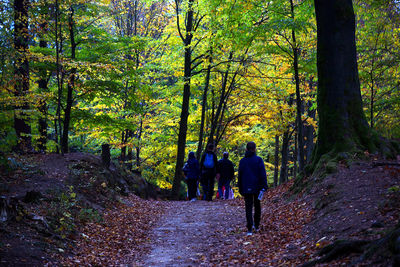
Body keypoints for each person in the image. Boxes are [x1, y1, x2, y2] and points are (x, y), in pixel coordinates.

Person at [238, 141, 268, 236]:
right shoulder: (258, 160)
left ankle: (249, 228)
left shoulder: (242, 161)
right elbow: (263, 174)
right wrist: (264, 186)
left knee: (248, 207)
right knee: (257, 205)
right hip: (257, 187)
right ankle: (256, 225)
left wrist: (240, 188)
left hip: (246, 187)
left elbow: (240, 176)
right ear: (254, 149)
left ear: (246, 149)